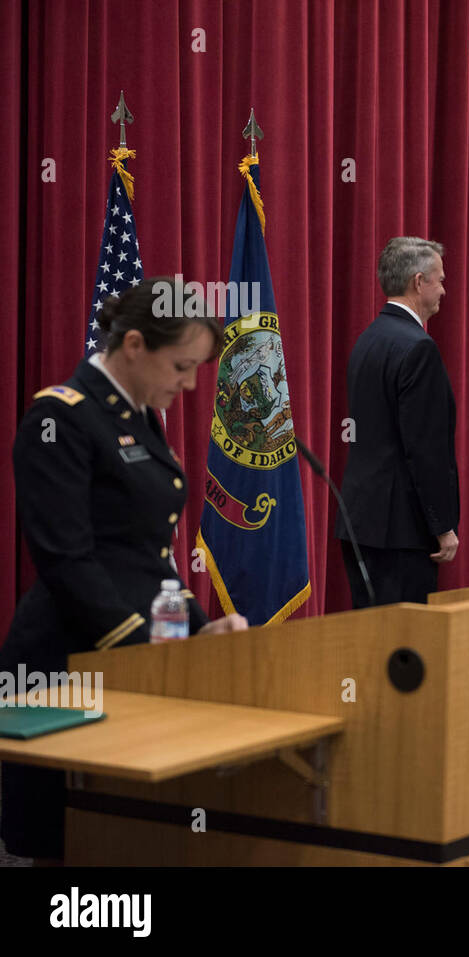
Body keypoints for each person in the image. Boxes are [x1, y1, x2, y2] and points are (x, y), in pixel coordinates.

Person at [0, 279, 248, 863]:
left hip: (128, 659)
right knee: (66, 848)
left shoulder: (138, 415)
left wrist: (196, 627)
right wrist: (141, 649)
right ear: (134, 344)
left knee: (127, 836)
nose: (189, 385)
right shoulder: (58, 418)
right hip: (67, 664)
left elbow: (148, 552)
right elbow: (66, 560)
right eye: (182, 366)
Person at [336, 237, 460, 607]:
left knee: (370, 641)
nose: (443, 289)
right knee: (400, 647)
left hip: (361, 521)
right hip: (402, 529)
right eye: (439, 280)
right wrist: (442, 527)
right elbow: (424, 449)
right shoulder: (418, 347)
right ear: (419, 282)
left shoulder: (368, 339)